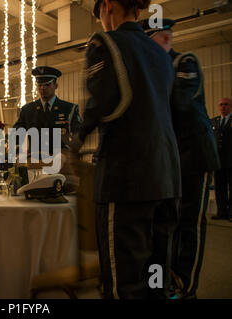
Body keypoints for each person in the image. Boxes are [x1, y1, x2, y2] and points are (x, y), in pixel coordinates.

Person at [75, 0, 181, 298]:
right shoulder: (161, 55)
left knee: (124, 284)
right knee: (157, 279)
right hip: (167, 178)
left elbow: (101, 104)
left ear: (107, 6)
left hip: (127, 178)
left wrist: (73, 142)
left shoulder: (105, 42)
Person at [141, 18, 220, 299]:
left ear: (162, 39)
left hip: (195, 157)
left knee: (191, 224)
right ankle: (168, 279)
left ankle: (187, 287)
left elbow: (180, 106)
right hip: (171, 160)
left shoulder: (183, 62)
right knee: (168, 223)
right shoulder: (152, 71)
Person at [13, 66, 82, 159]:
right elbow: (17, 134)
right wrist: (18, 153)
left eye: (47, 84)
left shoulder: (69, 109)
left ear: (55, 85)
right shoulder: (27, 110)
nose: (43, 88)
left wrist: (72, 153)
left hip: (61, 162)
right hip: (35, 161)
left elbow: (79, 135)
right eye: (40, 85)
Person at [211, 97, 232, 221]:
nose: (223, 107)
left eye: (226, 104)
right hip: (218, 162)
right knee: (220, 188)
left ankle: (231, 214)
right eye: (221, 105)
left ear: (230, 106)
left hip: (230, 161)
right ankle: (222, 212)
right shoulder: (214, 121)